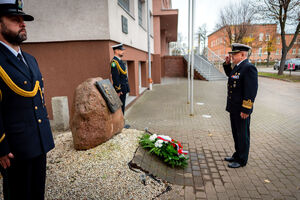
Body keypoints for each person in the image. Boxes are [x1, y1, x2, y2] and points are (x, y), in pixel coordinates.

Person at [0, 0, 55, 199]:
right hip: (15, 148)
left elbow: (38, 98)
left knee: (37, 193)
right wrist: (1, 146)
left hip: (38, 141)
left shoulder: (30, 58)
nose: (22, 23)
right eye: (15, 19)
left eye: (23, 19)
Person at [223, 43, 258, 168]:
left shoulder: (249, 68)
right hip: (234, 108)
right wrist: (227, 64)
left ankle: (242, 160)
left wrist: (246, 109)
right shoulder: (238, 67)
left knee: (243, 134)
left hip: (242, 110)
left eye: (234, 54)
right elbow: (231, 77)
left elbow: (251, 91)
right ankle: (237, 155)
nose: (231, 56)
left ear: (242, 54)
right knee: (236, 133)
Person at [110, 43, 130, 128]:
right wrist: (118, 90)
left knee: (122, 106)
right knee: (120, 107)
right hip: (120, 89)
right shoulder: (114, 63)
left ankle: (121, 123)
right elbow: (115, 77)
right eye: (121, 50)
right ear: (116, 51)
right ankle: (119, 125)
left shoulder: (119, 61)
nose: (123, 52)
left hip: (124, 87)